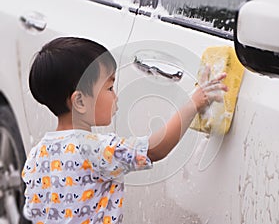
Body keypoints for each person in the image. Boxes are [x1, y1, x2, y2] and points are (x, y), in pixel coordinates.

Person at [21, 37, 227, 224]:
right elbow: (155, 149)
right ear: (80, 101)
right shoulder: (96, 150)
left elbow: (34, 213)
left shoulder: (37, 156)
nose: (115, 96)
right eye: (109, 88)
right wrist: (193, 103)